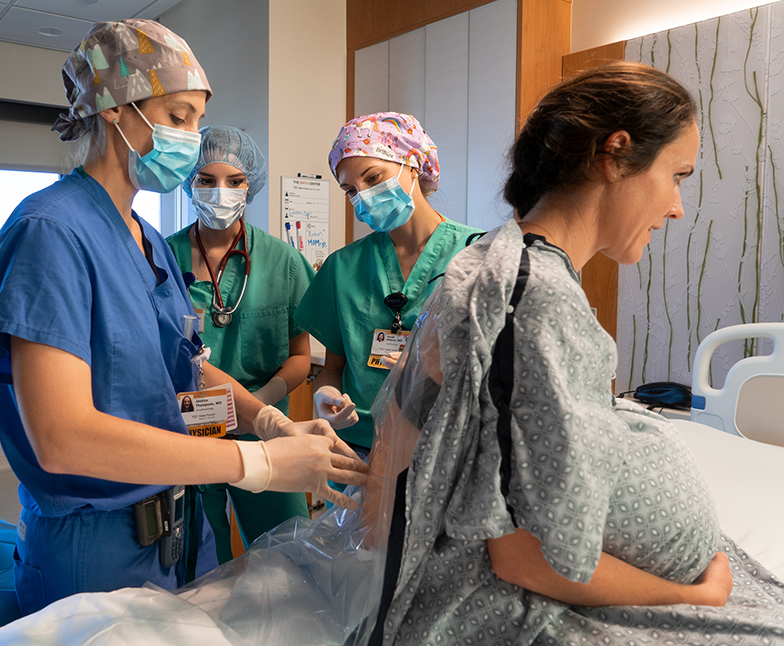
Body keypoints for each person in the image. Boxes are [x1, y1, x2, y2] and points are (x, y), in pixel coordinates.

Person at [363, 61, 784, 645]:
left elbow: (406, 429)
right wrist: (694, 595)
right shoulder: (530, 299)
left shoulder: (499, 259)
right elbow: (523, 559)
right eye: (677, 176)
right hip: (496, 606)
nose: (677, 208)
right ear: (616, 155)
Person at [0, 19, 365, 616]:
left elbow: (191, 365)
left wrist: (271, 425)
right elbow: (61, 438)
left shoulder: (148, 241)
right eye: (179, 116)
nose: (192, 138)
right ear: (116, 109)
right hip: (95, 548)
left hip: (179, 531)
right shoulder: (50, 232)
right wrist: (255, 463)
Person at [167, 125, 315, 563]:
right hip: (186, 434)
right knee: (193, 561)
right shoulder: (160, 257)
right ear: (188, 184)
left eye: (234, 182)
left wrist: (262, 405)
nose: (220, 193)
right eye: (206, 181)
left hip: (264, 435)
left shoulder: (283, 261)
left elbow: (301, 356)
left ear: (251, 185)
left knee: (290, 555)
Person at [294, 112, 483, 452]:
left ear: (413, 164)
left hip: (441, 446)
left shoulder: (476, 255)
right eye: (350, 189)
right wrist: (326, 395)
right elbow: (332, 368)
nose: (363, 196)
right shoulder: (343, 267)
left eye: (373, 178)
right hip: (357, 447)